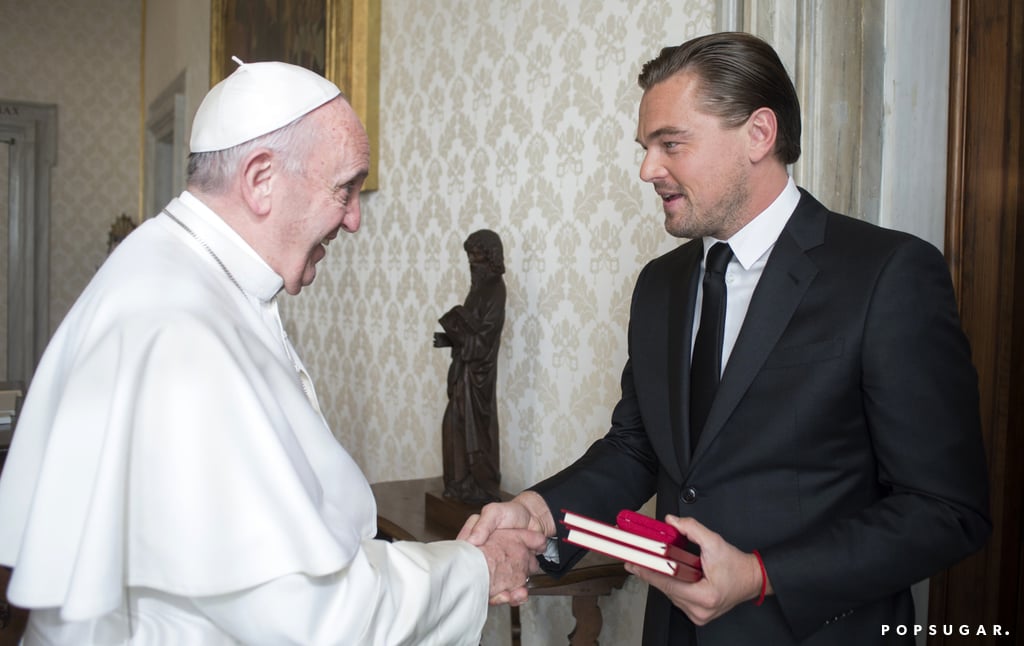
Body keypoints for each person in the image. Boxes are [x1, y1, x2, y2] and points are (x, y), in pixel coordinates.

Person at [460, 32, 991, 645]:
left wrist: (760, 576)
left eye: (671, 144)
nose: (647, 169)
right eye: (645, 147)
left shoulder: (888, 274)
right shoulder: (660, 284)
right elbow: (638, 448)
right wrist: (540, 512)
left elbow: (946, 510)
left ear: (758, 135)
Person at [0, 60, 543, 645]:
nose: (355, 219)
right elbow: (314, 617)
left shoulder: (175, 274)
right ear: (261, 179)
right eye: (346, 188)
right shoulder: (180, 332)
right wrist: (477, 568)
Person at [433, 230, 506, 505]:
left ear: (491, 260)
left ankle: (482, 486)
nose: (473, 266)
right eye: (469, 260)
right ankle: (458, 484)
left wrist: (460, 335)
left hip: (479, 378)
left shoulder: (495, 290)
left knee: (478, 432)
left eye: (477, 260)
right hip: (463, 374)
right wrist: (448, 338)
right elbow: (469, 330)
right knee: (453, 427)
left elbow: (484, 340)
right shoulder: (477, 289)